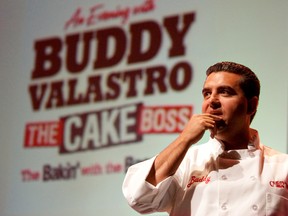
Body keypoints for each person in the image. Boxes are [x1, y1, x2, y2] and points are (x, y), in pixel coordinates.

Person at [122, 61, 288, 216]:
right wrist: (185, 138)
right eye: (207, 94)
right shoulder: (186, 162)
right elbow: (139, 198)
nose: (212, 101)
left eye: (225, 92)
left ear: (251, 105)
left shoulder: (283, 166)